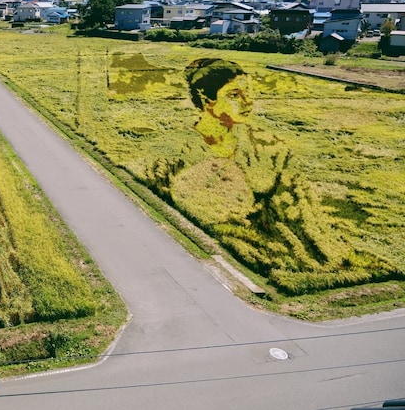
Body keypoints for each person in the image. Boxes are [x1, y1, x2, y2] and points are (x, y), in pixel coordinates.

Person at [146, 58, 393, 292]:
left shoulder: (269, 147)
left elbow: (303, 209)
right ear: (205, 98)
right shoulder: (181, 152)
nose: (247, 102)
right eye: (234, 95)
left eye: (248, 92)